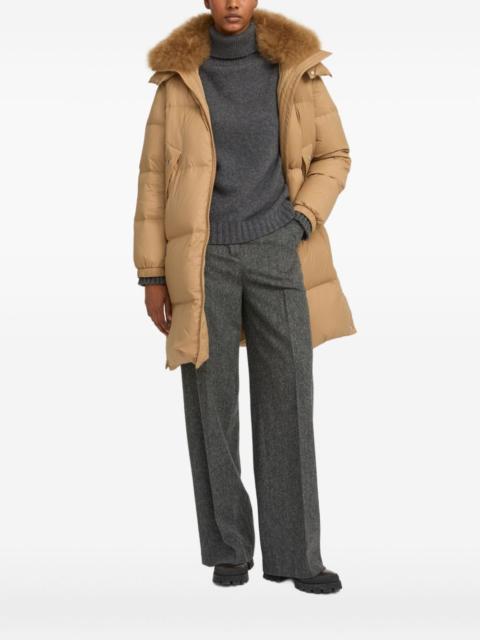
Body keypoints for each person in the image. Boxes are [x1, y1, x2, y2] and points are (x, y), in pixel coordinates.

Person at [133, 0, 356, 594]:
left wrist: (299, 221)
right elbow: (153, 180)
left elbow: (334, 155)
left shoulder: (297, 67)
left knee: (289, 403)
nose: (233, 2)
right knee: (211, 407)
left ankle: (297, 556)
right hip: (199, 260)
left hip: (278, 253)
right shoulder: (178, 78)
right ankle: (229, 549)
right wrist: (152, 275)